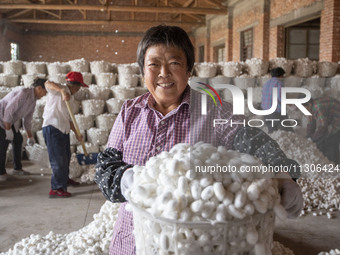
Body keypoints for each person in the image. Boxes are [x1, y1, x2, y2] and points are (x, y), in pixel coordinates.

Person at [95, 25, 303, 255]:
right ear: (143, 71)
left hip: (194, 245)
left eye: (174, 63)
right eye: (153, 64)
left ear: (189, 70)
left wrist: (284, 176)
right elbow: (105, 168)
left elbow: (257, 143)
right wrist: (129, 178)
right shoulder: (129, 112)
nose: (163, 73)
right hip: (133, 240)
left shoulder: (214, 110)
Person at [42, 72, 88, 198]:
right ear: (75, 86)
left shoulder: (71, 99)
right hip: (52, 128)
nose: (78, 90)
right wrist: (62, 90)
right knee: (58, 160)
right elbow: (47, 83)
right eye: (79, 87)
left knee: (65, 157)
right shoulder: (58, 90)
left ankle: (64, 179)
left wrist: (77, 134)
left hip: (63, 130)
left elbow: (69, 119)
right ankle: (56, 189)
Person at [0, 78, 47, 182]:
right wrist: (7, 130)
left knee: (18, 140)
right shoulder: (24, 93)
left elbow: (27, 120)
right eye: (45, 91)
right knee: (3, 143)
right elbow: (8, 110)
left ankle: (17, 168)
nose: (45, 94)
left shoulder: (33, 100)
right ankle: (1, 173)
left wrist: (30, 136)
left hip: (10, 120)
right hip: (2, 117)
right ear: (39, 88)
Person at [304, 96, 340, 164]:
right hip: (331, 119)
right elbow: (311, 123)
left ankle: (335, 164)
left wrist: (312, 138)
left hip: (338, 119)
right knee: (322, 139)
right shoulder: (309, 108)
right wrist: (308, 137)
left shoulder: (318, 107)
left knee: (331, 142)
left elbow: (323, 126)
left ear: (309, 104)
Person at [261, 67, 292, 133]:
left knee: (272, 133)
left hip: (266, 112)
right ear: (280, 75)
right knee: (288, 132)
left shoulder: (266, 84)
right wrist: (291, 105)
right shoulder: (279, 83)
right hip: (276, 112)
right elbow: (281, 97)